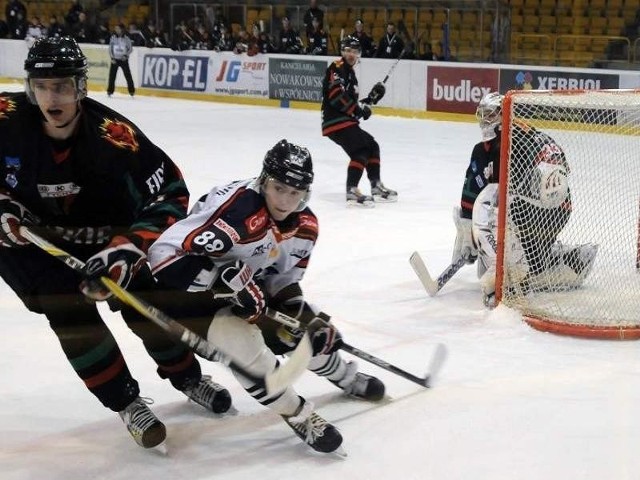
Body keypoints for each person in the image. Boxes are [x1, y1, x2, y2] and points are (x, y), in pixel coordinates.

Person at [0, 36, 231, 450]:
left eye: (64, 86)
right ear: (30, 88)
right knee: (71, 316)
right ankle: (126, 402)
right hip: (31, 244)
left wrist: (129, 246)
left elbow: (171, 193)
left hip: (108, 237)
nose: (53, 97)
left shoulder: (115, 138)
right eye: (43, 86)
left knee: (147, 304)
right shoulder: (5, 119)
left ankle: (188, 377)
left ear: (82, 87)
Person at [147, 139, 386, 454]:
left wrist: (306, 318)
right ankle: (297, 412)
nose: (286, 201)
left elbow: (282, 284)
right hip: (193, 300)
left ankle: (344, 376)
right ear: (263, 181)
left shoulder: (305, 226)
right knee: (245, 350)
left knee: (304, 331)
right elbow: (162, 257)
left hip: (249, 290)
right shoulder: (236, 211)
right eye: (279, 188)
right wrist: (221, 282)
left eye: (295, 192)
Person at [452, 92, 597, 307]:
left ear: (503, 115)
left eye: (490, 115)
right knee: (514, 264)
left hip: (541, 210)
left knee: (491, 211)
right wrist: (466, 232)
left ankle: (510, 277)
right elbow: (473, 190)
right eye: (482, 115)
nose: (485, 121)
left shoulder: (516, 140)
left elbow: (490, 197)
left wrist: (471, 230)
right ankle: (567, 261)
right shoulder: (497, 144)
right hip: (542, 212)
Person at [321, 35, 397, 207]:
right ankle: (352, 190)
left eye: (354, 51)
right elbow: (336, 96)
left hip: (345, 121)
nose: (351, 55)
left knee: (372, 146)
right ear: (342, 51)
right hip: (336, 121)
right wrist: (358, 109)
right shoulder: (337, 67)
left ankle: (376, 185)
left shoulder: (351, 74)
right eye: (348, 51)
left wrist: (371, 99)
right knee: (360, 150)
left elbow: (354, 106)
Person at [107, 24, 135, 97]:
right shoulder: (113, 38)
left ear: (122, 29)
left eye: (118, 28)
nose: (116, 30)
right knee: (112, 76)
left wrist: (126, 55)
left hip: (123, 60)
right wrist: (112, 57)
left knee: (128, 76)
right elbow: (110, 49)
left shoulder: (127, 39)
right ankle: (110, 91)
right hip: (115, 60)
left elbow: (130, 49)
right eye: (116, 28)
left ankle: (131, 91)